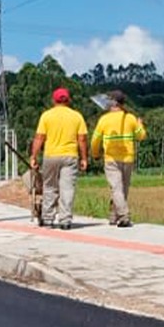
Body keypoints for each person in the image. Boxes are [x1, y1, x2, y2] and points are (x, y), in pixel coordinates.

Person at [29, 87, 88, 229]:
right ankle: (65, 220)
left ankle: (48, 218)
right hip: (70, 156)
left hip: (51, 156)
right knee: (67, 189)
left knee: (49, 187)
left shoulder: (46, 116)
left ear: (53, 100)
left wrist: (34, 156)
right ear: (68, 100)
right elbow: (82, 140)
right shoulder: (77, 116)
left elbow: (39, 138)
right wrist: (84, 158)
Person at [90, 89, 147, 227]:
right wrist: (139, 123)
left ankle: (123, 215)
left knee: (116, 189)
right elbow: (142, 136)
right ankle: (114, 215)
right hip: (128, 158)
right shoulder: (130, 118)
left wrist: (95, 153)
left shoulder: (104, 120)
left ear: (112, 102)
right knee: (122, 189)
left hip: (111, 159)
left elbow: (95, 141)